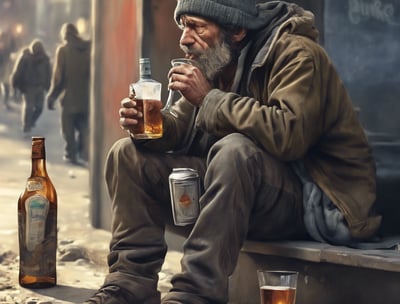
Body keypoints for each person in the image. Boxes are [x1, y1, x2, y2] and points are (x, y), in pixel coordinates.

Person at [85, 1, 382, 303]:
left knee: (234, 151)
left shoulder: (297, 54)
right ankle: (128, 285)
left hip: (311, 200)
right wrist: (154, 127)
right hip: (242, 192)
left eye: (197, 27)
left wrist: (210, 98)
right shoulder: (216, 60)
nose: (185, 38)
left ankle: (194, 294)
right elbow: (183, 125)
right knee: (127, 154)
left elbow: (289, 135)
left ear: (237, 30)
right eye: (184, 25)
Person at [46, 23, 91, 164]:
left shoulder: (63, 50)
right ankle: (84, 151)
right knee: (83, 126)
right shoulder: (89, 49)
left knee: (68, 127)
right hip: (86, 99)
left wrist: (52, 96)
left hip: (69, 98)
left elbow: (58, 77)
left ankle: (71, 154)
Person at [10, 39, 51, 133]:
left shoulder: (45, 59)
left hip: (40, 86)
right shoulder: (25, 58)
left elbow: (49, 73)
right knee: (29, 107)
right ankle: (26, 125)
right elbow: (18, 71)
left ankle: (31, 121)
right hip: (28, 87)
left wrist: (48, 87)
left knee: (39, 108)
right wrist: (15, 84)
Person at [0, 28, 17, 110]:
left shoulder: (7, 48)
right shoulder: (5, 48)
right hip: (4, 67)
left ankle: (6, 102)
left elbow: (13, 49)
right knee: (6, 86)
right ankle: (6, 102)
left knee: (6, 86)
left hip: (5, 67)